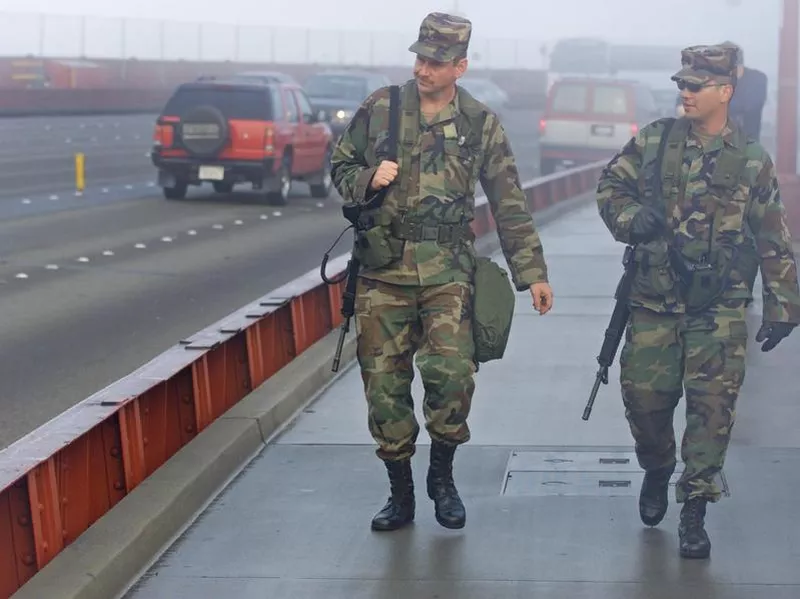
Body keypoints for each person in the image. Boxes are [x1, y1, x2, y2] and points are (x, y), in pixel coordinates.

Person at [330, 11, 554, 532]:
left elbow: (509, 202)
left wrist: (532, 273)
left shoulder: (479, 122)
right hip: (383, 272)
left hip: (449, 272)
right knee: (384, 385)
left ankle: (442, 476)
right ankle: (400, 493)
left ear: (461, 66)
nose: (423, 68)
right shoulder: (382, 109)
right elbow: (339, 165)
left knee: (451, 376)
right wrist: (365, 177)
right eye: (419, 58)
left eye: (435, 61)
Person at [596, 44, 800, 559]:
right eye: (681, 85)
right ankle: (658, 464)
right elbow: (609, 187)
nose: (684, 92)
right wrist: (628, 221)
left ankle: (694, 508)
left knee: (712, 413)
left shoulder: (751, 160)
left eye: (696, 86)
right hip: (651, 303)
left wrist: (783, 305)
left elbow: (773, 235)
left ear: (725, 92)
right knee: (644, 404)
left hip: (719, 309)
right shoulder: (656, 141)